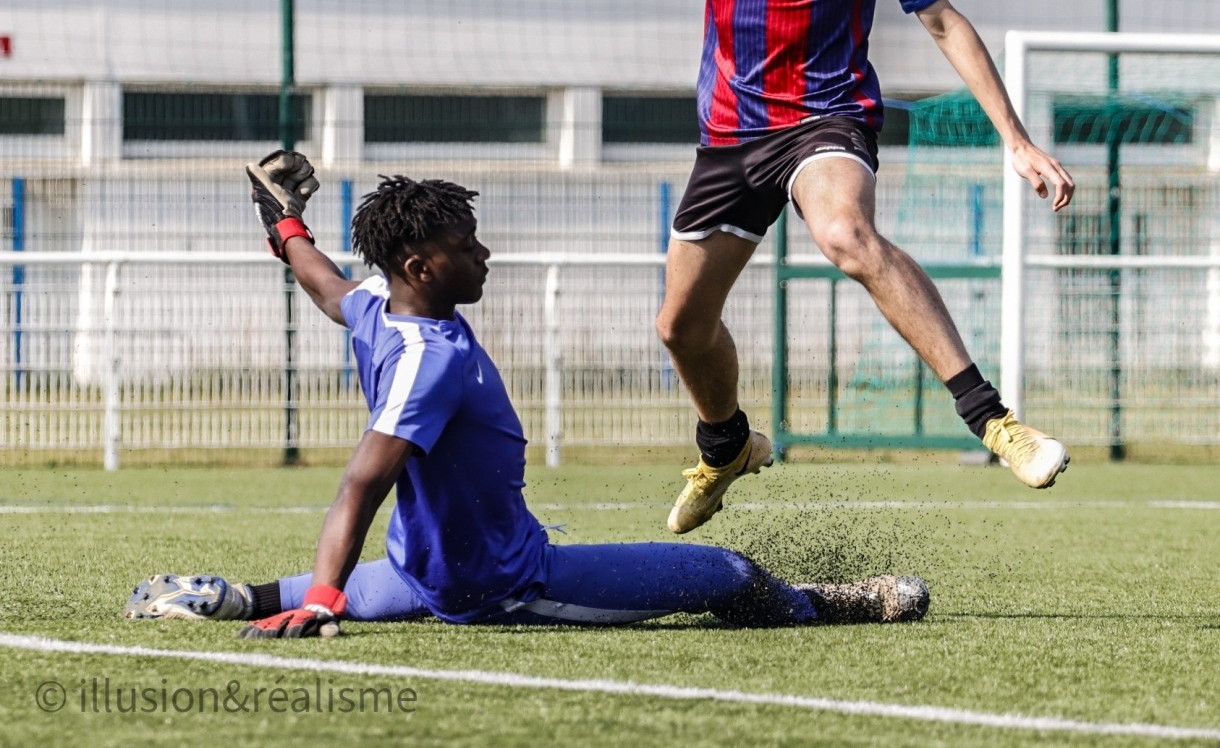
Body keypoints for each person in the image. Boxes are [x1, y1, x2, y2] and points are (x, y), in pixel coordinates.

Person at [435, 0, 1075, 534]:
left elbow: (943, 20)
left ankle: (994, 422)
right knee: (679, 325)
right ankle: (727, 444)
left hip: (824, 119)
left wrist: (1015, 138)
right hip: (731, 135)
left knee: (846, 235)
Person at [125, 152, 929, 635]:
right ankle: (826, 604)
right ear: (419, 269)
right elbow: (365, 478)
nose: (483, 252)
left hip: (419, 570)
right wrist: (328, 598)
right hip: (506, 584)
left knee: (336, 589)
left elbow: (327, 283)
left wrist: (284, 227)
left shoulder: (380, 310)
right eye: (463, 246)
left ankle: (225, 597)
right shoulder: (427, 360)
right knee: (724, 570)